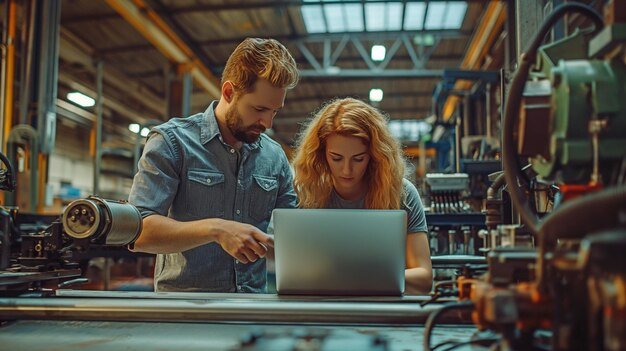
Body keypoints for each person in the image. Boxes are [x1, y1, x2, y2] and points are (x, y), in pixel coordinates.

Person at [128, 38, 299, 293]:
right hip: (187, 313)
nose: (268, 123)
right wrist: (216, 229)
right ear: (229, 92)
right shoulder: (173, 142)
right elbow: (138, 231)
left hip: (252, 309)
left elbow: (296, 232)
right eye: (260, 109)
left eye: (275, 111)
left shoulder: (274, 157)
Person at [291, 97, 433, 294]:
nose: (347, 170)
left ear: (375, 155)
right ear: (321, 154)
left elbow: (424, 278)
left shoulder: (402, 194)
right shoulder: (308, 195)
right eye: (336, 158)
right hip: (324, 311)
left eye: (358, 159)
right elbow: (295, 274)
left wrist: (356, 275)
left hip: (384, 312)